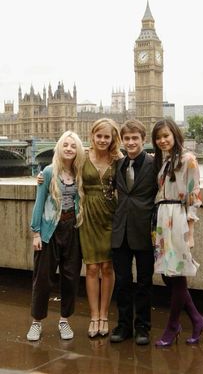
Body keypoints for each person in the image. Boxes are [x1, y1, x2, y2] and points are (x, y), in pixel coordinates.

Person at [151, 118, 203, 347]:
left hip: (178, 221)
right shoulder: (165, 162)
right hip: (163, 220)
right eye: (158, 137)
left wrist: (190, 233)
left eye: (166, 135)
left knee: (176, 275)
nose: (162, 140)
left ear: (174, 134)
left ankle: (173, 326)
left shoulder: (188, 159)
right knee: (168, 275)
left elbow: (194, 197)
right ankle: (197, 319)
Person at [27, 131, 84, 341]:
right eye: (66, 145)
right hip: (50, 229)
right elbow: (39, 203)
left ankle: (64, 320)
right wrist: (35, 233)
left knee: (70, 278)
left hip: (73, 229)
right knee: (43, 279)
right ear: (59, 147)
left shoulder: (80, 173)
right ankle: (36, 322)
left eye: (73, 146)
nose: (69, 149)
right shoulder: (48, 172)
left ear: (78, 150)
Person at [110, 119, 157, 345]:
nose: (130, 142)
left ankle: (143, 327)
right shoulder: (117, 164)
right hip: (121, 231)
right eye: (126, 139)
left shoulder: (154, 164)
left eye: (134, 138)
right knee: (122, 281)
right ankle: (124, 325)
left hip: (144, 230)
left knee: (144, 282)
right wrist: (46, 176)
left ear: (143, 139)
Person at [79, 118, 123, 338]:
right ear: (92, 136)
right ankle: (94, 316)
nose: (103, 140)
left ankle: (105, 315)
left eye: (107, 136)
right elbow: (61, 169)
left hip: (111, 217)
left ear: (113, 138)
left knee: (107, 267)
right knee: (92, 268)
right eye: (100, 136)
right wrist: (43, 176)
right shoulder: (82, 156)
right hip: (87, 216)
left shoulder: (118, 159)